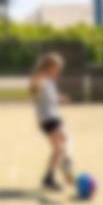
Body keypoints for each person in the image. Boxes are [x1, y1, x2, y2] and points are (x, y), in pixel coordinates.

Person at [30, 52, 75, 191]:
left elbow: (52, 97)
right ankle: (65, 163)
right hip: (48, 118)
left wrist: (62, 98)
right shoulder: (41, 79)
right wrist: (39, 76)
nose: (59, 71)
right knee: (61, 142)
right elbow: (33, 86)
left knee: (59, 146)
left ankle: (48, 177)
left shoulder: (50, 82)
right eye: (57, 68)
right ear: (49, 67)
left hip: (53, 116)